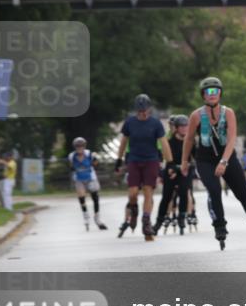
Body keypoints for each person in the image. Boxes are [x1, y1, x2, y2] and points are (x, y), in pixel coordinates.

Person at [180, 77, 246, 250]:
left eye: (215, 91)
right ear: (203, 95)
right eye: (208, 92)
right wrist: (183, 161)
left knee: (244, 194)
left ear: (220, 94)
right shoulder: (196, 116)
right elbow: (189, 139)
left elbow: (232, 138)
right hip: (205, 160)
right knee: (215, 190)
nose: (212, 95)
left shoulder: (228, 113)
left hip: (227, 157)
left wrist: (224, 162)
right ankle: (219, 225)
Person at [115, 94, 173, 242]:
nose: (142, 113)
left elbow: (164, 143)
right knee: (133, 192)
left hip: (151, 161)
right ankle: (134, 211)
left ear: (149, 109)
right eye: (140, 111)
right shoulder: (129, 123)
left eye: (145, 110)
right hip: (133, 160)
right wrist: (119, 159)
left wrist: (170, 162)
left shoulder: (156, 124)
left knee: (148, 191)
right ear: (136, 110)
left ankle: (146, 222)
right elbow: (123, 142)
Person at [155, 115, 193, 235]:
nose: (185, 129)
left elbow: (195, 159)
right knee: (166, 197)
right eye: (182, 126)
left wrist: (185, 166)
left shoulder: (191, 141)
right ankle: (158, 222)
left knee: (183, 192)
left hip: (185, 170)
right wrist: (174, 168)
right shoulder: (169, 142)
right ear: (176, 128)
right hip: (171, 170)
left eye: (186, 126)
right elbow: (167, 159)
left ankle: (182, 218)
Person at [67, 138, 106, 231]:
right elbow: (71, 167)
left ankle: (97, 218)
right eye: (77, 146)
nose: (79, 148)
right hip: (79, 178)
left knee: (95, 197)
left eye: (81, 146)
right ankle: (86, 216)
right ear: (75, 147)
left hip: (90, 177)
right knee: (81, 197)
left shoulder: (89, 154)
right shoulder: (72, 156)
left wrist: (94, 163)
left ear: (84, 146)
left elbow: (96, 163)